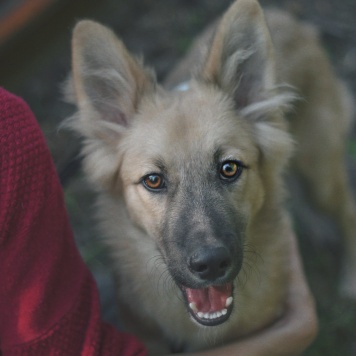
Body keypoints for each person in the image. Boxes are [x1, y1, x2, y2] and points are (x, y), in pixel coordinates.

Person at [0, 87, 317, 355]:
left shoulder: (9, 127)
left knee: (326, 188)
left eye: (228, 169)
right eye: (154, 181)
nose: (206, 245)